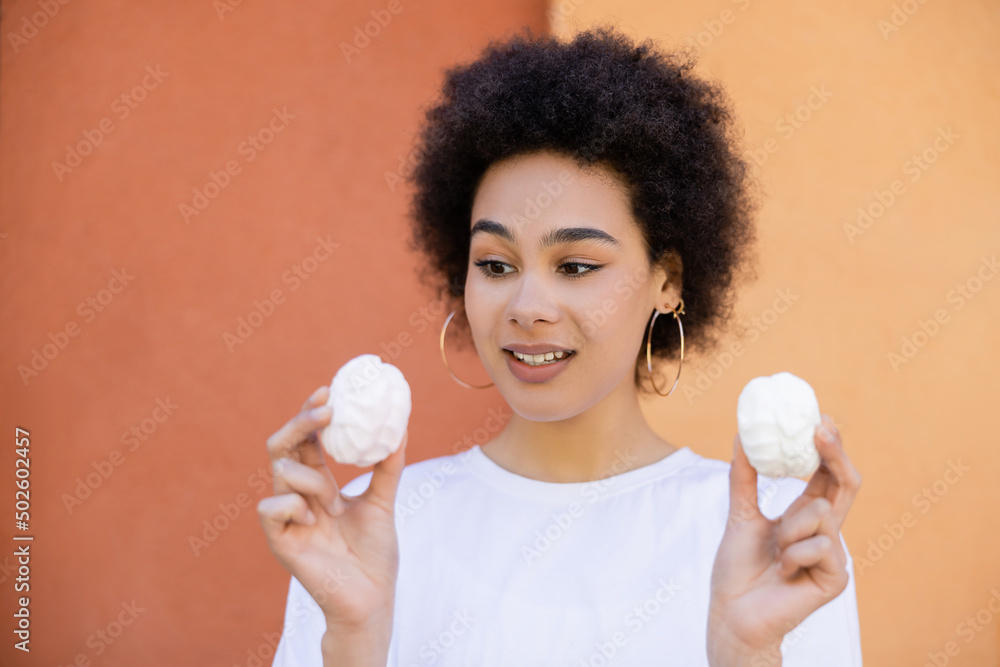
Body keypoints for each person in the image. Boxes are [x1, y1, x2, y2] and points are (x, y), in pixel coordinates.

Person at [257, 24, 863, 667]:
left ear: (667, 281)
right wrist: (355, 639)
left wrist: (748, 652)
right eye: (495, 265)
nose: (526, 308)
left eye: (576, 266)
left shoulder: (771, 535)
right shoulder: (371, 528)